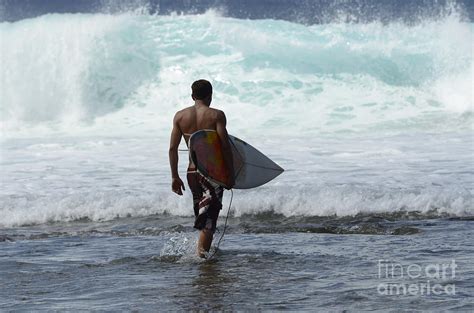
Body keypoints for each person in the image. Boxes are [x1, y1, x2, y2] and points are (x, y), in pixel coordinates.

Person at [169, 79, 234, 258]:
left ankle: (202, 254)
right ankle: (202, 260)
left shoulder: (180, 117)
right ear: (210, 95)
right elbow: (225, 146)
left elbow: (172, 149)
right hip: (211, 174)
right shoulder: (216, 115)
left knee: (203, 215)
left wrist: (174, 176)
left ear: (192, 96)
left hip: (191, 173)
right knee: (208, 219)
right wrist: (230, 173)